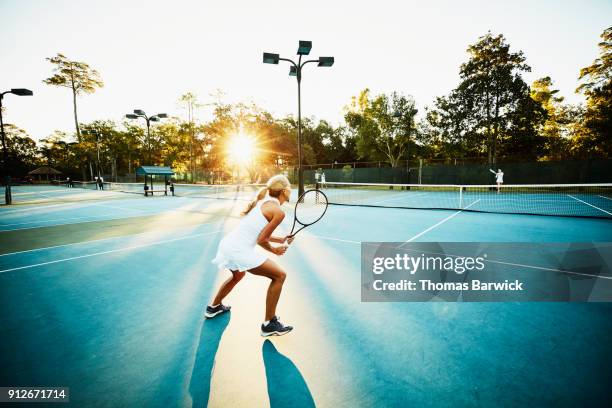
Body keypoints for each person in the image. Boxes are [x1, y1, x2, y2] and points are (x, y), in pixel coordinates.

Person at [206, 175, 295, 336]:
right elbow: (261, 240)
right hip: (238, 250)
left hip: (228, 245)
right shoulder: (278, 212)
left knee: (237, 276)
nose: (291, 192)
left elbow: (257, 233)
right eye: (289, 189)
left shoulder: (263, 202)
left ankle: (214, 307)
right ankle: (269, 323)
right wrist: (275, 250)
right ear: (284, 191)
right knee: (280, 276)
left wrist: (280, 239)